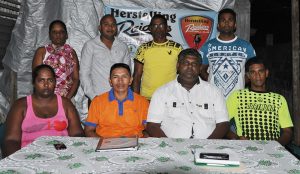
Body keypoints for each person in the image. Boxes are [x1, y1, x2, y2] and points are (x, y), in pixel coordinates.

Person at [2, 65, 84, 157]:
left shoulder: (66, 104)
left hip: (60, 152)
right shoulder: (21, 106)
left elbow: (77, 133)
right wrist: (19, 160)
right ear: (33, 83)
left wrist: (74, 154)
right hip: (30, 153)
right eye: (41, 80)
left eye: (50, 80)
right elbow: (11, 140)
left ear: (55, 82)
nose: (46, 85)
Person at [146, 48, 229, 139]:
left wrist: (207, 145)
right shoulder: (162, 92)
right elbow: (152, 125)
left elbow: (223, 124)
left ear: (200, 68)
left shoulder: (214, 92)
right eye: (186, 63)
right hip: (171, 148)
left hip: (207, 147)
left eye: (194, 64)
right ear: (178, 65)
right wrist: (169, 145)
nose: (190, 67)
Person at [226, 57, 293, 146]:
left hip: (272, 149)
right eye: (253, 72)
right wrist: (238, 139)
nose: (257, 76)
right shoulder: (236, 96)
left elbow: (287, 132)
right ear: (248, 75)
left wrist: (276, 145)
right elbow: (223, 125)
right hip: (246, 148)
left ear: (266, 73)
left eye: (260, 71)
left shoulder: (279, 99)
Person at [200, 8, 256, 98]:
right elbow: (201, 69)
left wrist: (241, 82)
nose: (226, 23)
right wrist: (211, 81)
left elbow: (253, 70)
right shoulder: (208, 46)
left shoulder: (246, 46)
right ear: (218, 25)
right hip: (213, 97)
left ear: (235, 25)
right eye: (223, 20)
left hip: (237, 98)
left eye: (230, 20)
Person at [84, 63, 149, 138]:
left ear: (130, 80)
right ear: (110, 81)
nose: (120, 81)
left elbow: (149, 129)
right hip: (106, 144)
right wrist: (104, 143)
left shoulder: (142, 102)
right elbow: (88, 130)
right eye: (115, 77)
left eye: (124, 76)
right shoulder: (97, 102)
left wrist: (140, 143)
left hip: (134, 143)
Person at [80, 14, 131, 100]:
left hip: (120, 98)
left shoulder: (123, 46)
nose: (110, 27)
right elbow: (84, 74)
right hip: (98, 97)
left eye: (113, 24)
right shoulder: (90, 45)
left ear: (116, 28)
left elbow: (127, 73)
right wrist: (93, 96)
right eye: (106, 24)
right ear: (99, 28)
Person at [132, 14, 183, 100]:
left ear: (167, 28)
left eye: (161, 25)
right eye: (155, 26)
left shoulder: (177, 48)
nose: (158, 28)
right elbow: (137, 75)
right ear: (150, 29)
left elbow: (183, 75)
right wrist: (136, 100)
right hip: (147, 98)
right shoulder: (143, 48)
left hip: (170, 97)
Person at [32, 20, 79, 99]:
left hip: (67, 98)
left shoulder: (71, 52)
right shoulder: (42, 51)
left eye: (61, 31)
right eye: (54, 32)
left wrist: (67, 99)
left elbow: (76, 78)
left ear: (66, 35)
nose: (58, 34)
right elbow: (36, 77)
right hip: (45, 98)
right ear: (50, 35)